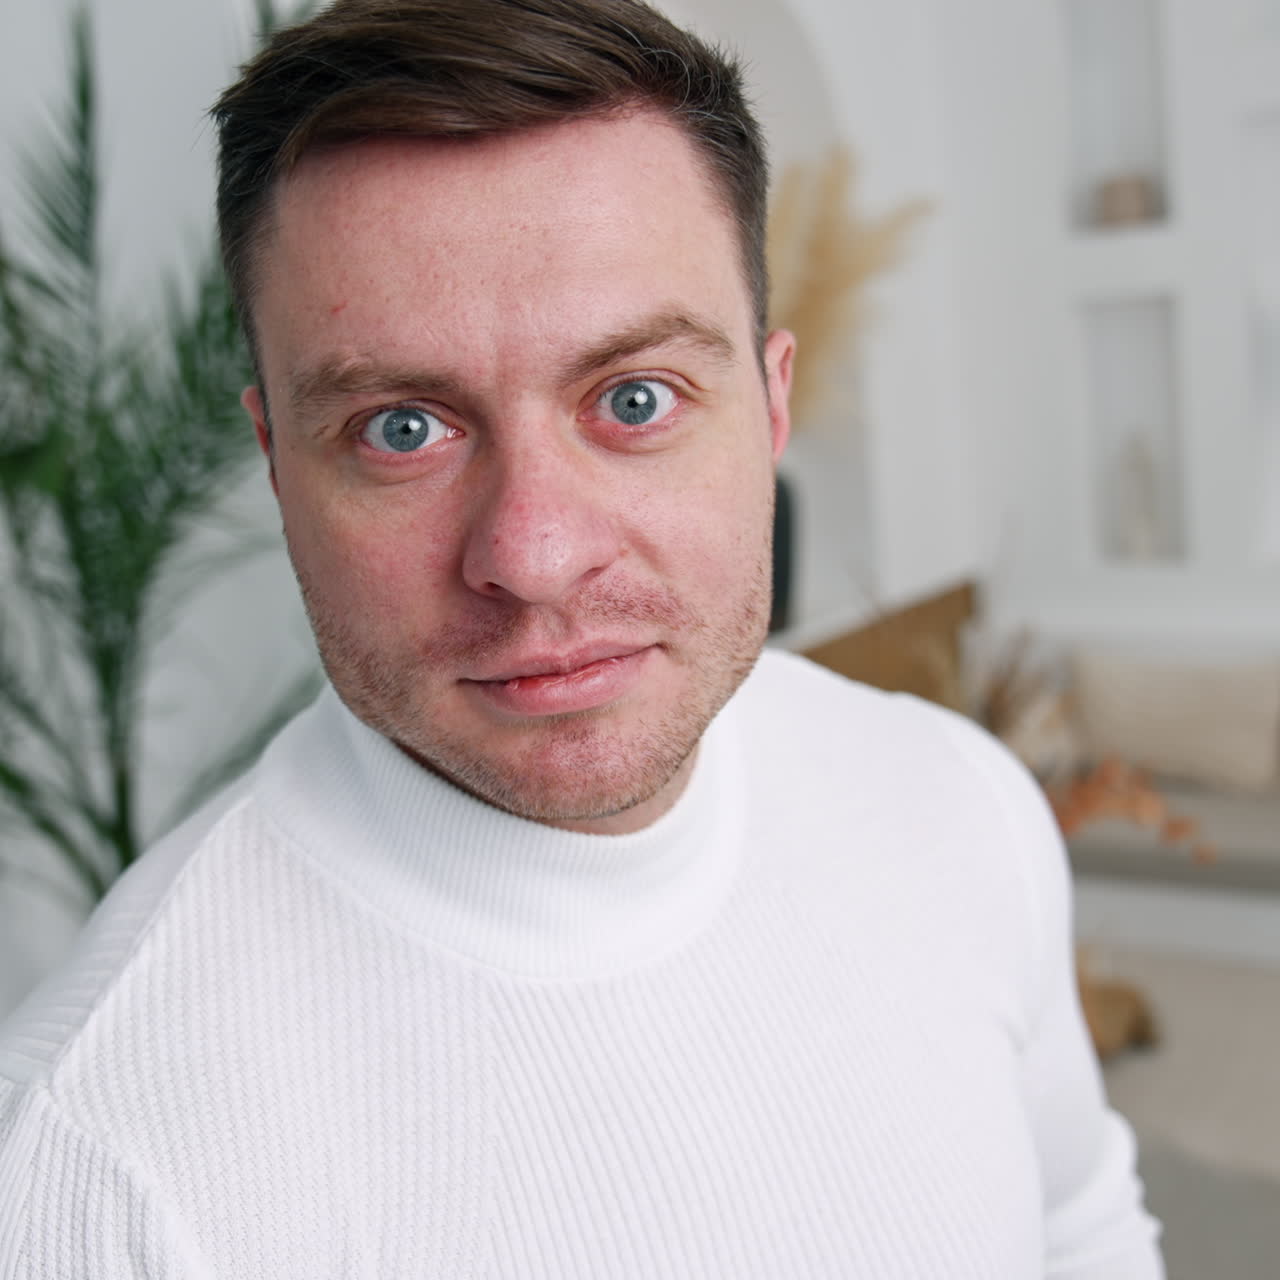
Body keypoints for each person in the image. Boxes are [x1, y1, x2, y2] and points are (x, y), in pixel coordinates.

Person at [0, 0, 1164, 1274]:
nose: (535, 553)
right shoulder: (96, 1169)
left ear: (769, 402)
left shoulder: (958, 805)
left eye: (635, 398)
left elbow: (1080, 1225)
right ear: (277, 461)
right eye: (401, 428)